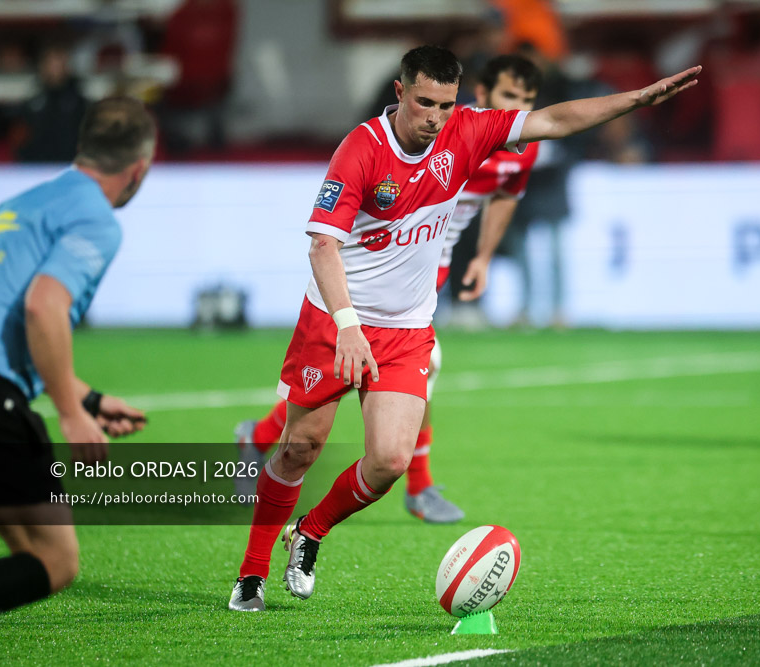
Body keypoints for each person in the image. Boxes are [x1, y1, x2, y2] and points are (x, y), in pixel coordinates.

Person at [228, 45, 699, 612]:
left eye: (445, 105)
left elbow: (553, 120)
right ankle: (251, 572)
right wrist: (348, 325)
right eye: (424, 102)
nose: (434, 116)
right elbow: (323, 244)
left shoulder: (468, 131)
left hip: (406, 328)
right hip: (335, 321)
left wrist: (638, 100)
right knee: (301, 448)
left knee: (390, 461)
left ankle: (310, 532)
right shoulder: (361, 149)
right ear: (399, 93)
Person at [232, 54, 543, 525]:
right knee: (379, 379)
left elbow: (504, 195)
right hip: (381, 269)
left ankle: (264, 442)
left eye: (526, 101)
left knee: (406, 376)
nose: (517, 107)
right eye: (509, 97)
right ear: (482, 98)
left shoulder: (516, 149)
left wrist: (482, 255)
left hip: (425, 272)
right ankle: (417, 486)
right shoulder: (459, 134)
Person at [0, 97, 155, 626]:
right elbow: (42, 306)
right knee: (54, 559)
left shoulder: (22, 203)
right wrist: (69, 411)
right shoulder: (97, 220)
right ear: (139, 169)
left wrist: (86, 397)